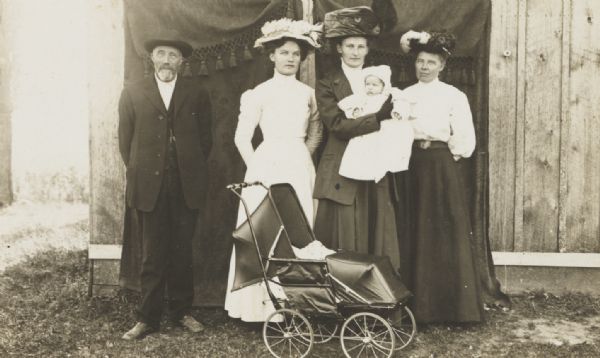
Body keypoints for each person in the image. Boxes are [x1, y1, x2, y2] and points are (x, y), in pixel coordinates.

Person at [224, 18, 323, 322]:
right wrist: (258, 168)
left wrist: (301, 156)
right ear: (271, 56)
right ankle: (262, 307)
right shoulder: (259, 92)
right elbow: (241, 136)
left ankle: (299, 306)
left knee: (300, 228)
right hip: (265, 164)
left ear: (302, 58)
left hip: (298, 164)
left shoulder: (308, 93)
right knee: (264, 230)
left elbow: (316, 131)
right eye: (284, 52)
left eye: (295, 54)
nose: (290, 58)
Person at [118, 39, 213, 339]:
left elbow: (205, 140)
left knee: (182, 251)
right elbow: (125, 142)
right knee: (152, 253)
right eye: (161, 54)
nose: (167, 60)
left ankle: (182, 312)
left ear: (181, 62)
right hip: (149, 185)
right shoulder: (133, 91)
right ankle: (147, 318)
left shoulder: (196, 92)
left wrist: (187, 167)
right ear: (152, 59)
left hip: (186, 184)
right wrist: (144, 171)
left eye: (173, 55)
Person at [399, 30, 484, 323]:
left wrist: (445, 159)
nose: (424, 67)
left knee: (441, 230)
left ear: (442, 65)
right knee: (413, 228)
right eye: (420, 61)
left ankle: (449, 307)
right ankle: (415, 306)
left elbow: (464, 140)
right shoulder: (403, 96)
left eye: (431, 62)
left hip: (439, 165)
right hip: (411, 164)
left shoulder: (453, 96)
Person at [313, 6, 402, 271]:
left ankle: (377, 302)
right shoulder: (328, 81)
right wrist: (377, 118)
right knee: (346, 235)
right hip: (342, 168)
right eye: (349, 45)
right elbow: (337, 125)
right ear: (339, 48)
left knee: (378, 229)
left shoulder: (380, 80)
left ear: (367, 49)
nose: (355, 52)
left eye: (360, 46)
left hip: (375, 165)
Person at [337, 65, 414, 182]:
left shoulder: (389, 95)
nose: (370, 88)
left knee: (383, 153)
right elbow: (348, 106)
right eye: (368, 84)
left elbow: (401, 102)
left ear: (383, 85)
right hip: (366, 131)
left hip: (383, 131)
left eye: (375, 85)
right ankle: (361, 172)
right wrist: (354, 111)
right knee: (361, 154)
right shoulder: (362, 97)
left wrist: (398, 112)